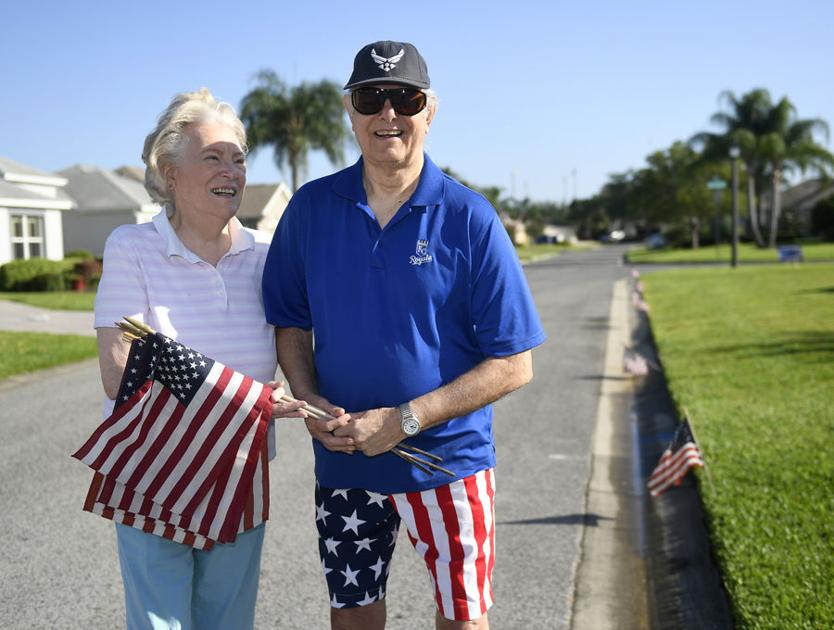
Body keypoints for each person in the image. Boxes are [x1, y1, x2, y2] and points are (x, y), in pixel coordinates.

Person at [262, 41, 546, 629]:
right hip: (346, 466)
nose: (387, 113)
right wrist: (309, 398)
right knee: (354, 616)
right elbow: (291, 321)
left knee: (463, 618)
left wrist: (404, 419)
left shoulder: (470, 217)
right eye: (371, 97)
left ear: (430, 111)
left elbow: (515, 362)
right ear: (350, 109)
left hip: (449, 465)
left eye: (404, 98)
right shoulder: (310, 208)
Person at [93, 87, 304, 630]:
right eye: (212, 156)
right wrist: (246, 401)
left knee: (229, 622)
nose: (230, 171)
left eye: (237, 159)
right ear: (169, 173)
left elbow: (300, 343)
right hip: (154, 463)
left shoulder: (267, 254)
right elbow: (120, 374)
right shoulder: (131, 247)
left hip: (239, 467)